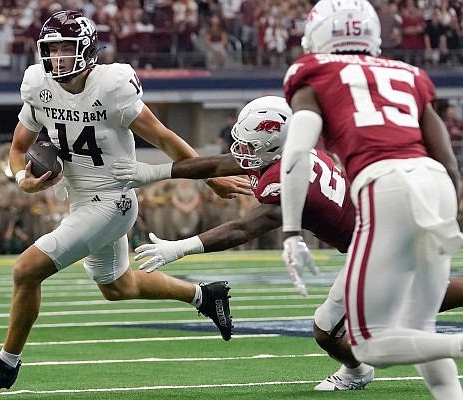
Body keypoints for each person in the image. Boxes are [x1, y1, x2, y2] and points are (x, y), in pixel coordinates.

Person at [0, 10, 251, 390]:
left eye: (64, 48)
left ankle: (5, 366)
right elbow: (17, 148)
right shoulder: (39, 86)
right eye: (51, 49)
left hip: (113, 201)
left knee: (26, 270)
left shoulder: (111, 87)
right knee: (118, 287)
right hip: (80, 201)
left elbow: (165, 139)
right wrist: (21, 179)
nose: (56, 57)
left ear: (87, 50)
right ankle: (204, 296)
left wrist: (211, 179)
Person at [110, 95, 463, 391]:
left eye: (250, 146)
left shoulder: (285, 176)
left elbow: (245, 229)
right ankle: (358, 370)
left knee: (348, 326)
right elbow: (220, 163)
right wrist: (155, 172)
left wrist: (179, 247)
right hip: (382, 231)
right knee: (352, 322)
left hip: (382, 244)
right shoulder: (288, 152)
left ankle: (357, 372)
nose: (241, 152)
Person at [279, 0, 463, 398]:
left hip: (384, 184)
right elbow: (447, 160)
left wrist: (292, 231)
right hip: (434, 182)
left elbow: (296, 155)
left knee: (369, 344)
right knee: (419, 330)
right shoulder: (409, 73)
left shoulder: (314, 72)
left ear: (319, 32)